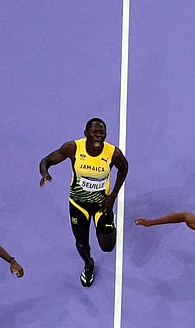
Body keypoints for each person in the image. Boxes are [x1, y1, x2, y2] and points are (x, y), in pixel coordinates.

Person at [39, 117, 129, 287]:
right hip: (78, 204)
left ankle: (110, 223)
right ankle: (88, 265)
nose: (98, 136)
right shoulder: (73, 148)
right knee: (81, 243)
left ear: (105, 135)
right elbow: (46, 161)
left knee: (108, 247)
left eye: (101, 133)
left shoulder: (112, 153)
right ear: (86, 133)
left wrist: (113, 196)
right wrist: (45, 173)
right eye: (94, 132)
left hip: (102, 204)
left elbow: (124, 168)